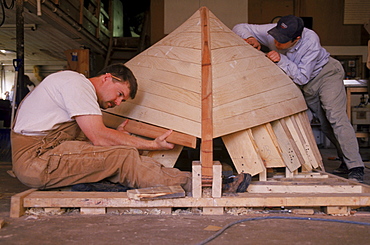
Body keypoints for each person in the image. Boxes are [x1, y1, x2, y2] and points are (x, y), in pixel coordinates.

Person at [11, 64, 193, 192]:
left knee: (119, 152)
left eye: (122, 100)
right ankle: (190, 183)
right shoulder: (77, 84)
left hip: (47, 154)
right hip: (36, 161)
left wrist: (114, 138)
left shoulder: (75, 88)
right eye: (120, 94)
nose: (118, 102)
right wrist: (153, 145)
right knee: (123, 157)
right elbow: (99, 137)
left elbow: (92, 137)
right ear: (107, 78)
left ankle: (184, 178)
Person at [233, 15, 365, 182]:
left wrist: (281, 59)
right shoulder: (273, 32)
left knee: (336, 118)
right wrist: (250, 38)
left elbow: (302, 77)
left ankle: (356, 166)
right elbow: (239, 26)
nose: (277, 43)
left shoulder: (311, 42)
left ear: (297, 39)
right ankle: (345, 161)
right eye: (276, 38)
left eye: (282, 41)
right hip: (306, 84)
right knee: (325, 125)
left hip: (325, 75)